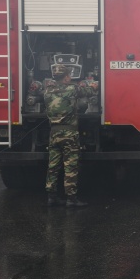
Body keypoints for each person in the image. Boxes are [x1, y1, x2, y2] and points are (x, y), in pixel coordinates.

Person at [44, 64, 98, 207]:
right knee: (70, 165)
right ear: (66, 77)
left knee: (53, 165)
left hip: (54, 132)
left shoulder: (47, 91)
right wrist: (93, 86)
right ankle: (71, 198)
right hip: (69, 133)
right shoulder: (72, 89)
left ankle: (51, 196)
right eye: (68, 75)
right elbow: (88, 91)